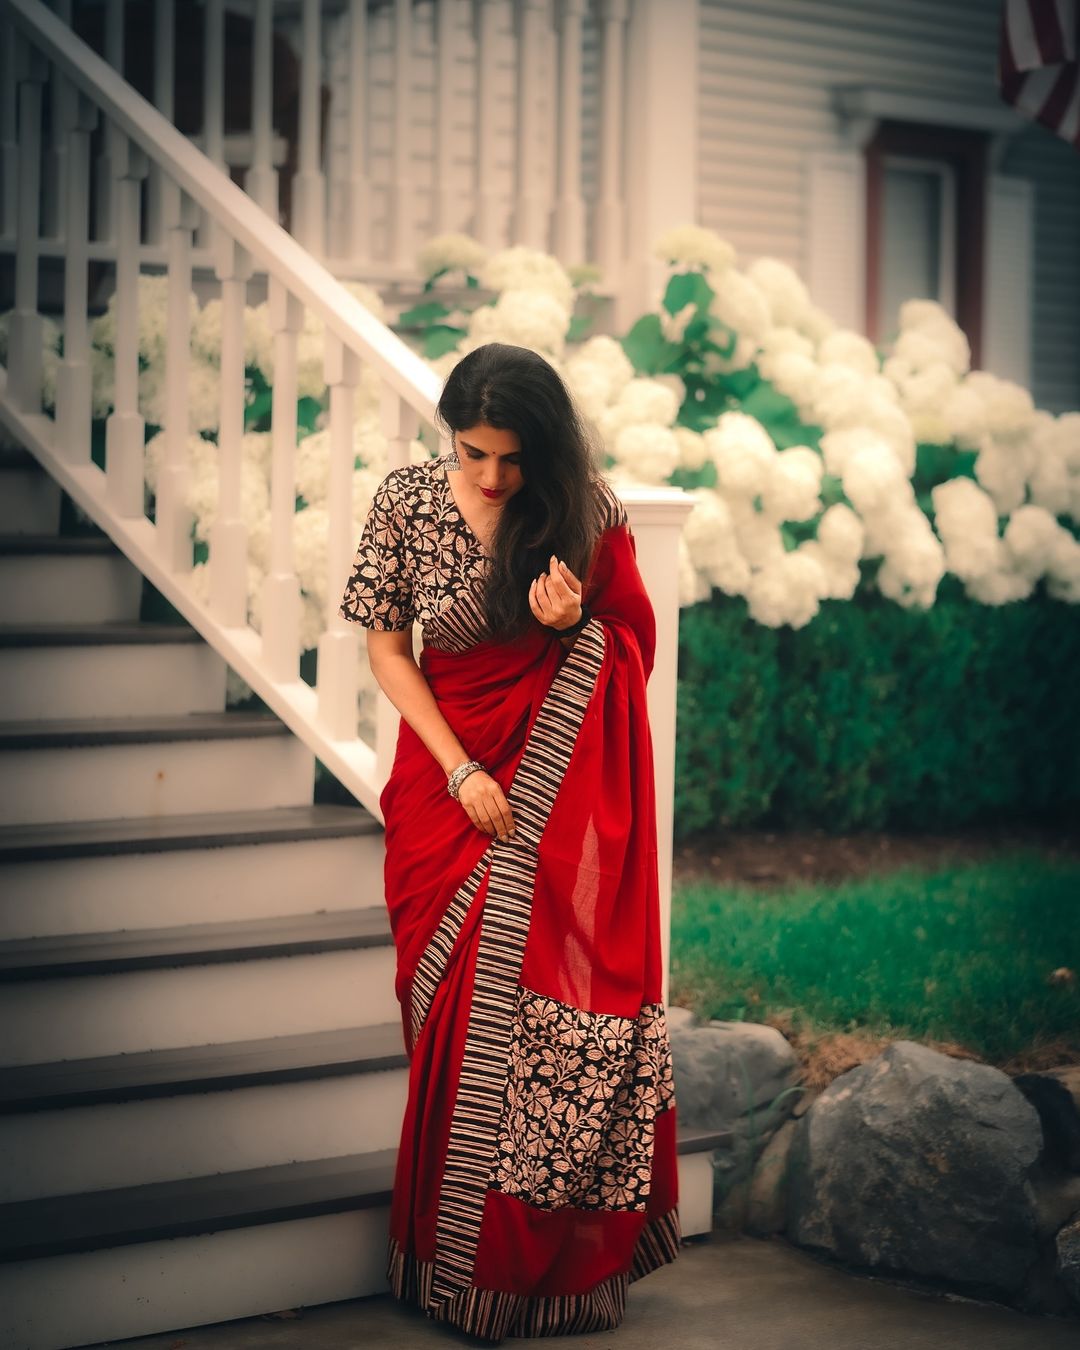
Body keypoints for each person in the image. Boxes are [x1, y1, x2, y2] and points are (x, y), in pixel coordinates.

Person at [339, 341, 679, 1341]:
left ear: (547, 448)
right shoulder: (406, 502)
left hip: (549, 799)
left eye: (514, 458)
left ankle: (527, 1272)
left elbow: (634, 648)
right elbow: (386, 648)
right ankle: (442, 1261)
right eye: (474, 452)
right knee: (445, 1011)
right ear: (450, 437)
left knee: (545, 1025)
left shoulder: (586, 513)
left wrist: (575, 628)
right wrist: (460, 771)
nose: (491, 477)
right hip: (441, 787)